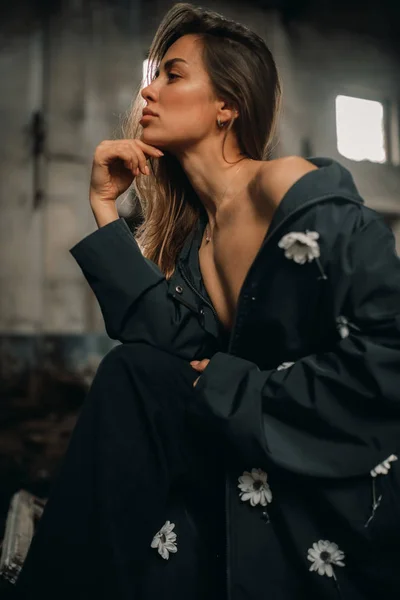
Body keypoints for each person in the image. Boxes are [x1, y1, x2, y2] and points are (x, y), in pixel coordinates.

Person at [15, 3, 400, 599]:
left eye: (172, 74)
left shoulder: (287, 186)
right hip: (246, 462)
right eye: (153, 74)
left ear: (227, 104)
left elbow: (389, 349)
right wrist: (103, 209)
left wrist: (227, 387)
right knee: (132, 373)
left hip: (332, 477)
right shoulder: (199, 244)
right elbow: (162, 350)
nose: (148, 91)